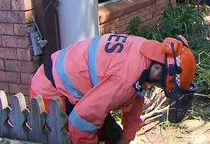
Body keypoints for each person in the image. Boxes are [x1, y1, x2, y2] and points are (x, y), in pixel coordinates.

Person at [29, 34, 197, 144]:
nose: (157, 86)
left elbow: (136, 96)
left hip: (78, 93)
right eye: (160, 84)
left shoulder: (146, 55)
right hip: (52, 93)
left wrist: (127, 136)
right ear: (158, 70)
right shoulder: (125, 79)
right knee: (74, 137)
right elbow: (80, 122)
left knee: (113, 136)